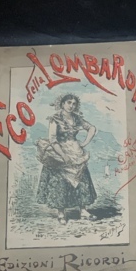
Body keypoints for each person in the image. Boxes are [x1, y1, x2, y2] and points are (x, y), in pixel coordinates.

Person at [36, 93, 98, 224]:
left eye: (74, 104)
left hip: (76, 151)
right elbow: (53, 140)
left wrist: (84, 143)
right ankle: (61, 213)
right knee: (61, 182)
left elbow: (92, 128)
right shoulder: (55, 118)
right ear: (62, 103)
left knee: (81, 179)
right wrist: (63, 156)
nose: (71, 106)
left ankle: (83, 211)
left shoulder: (76, 118)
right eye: (69, 103)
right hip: (59, 151)